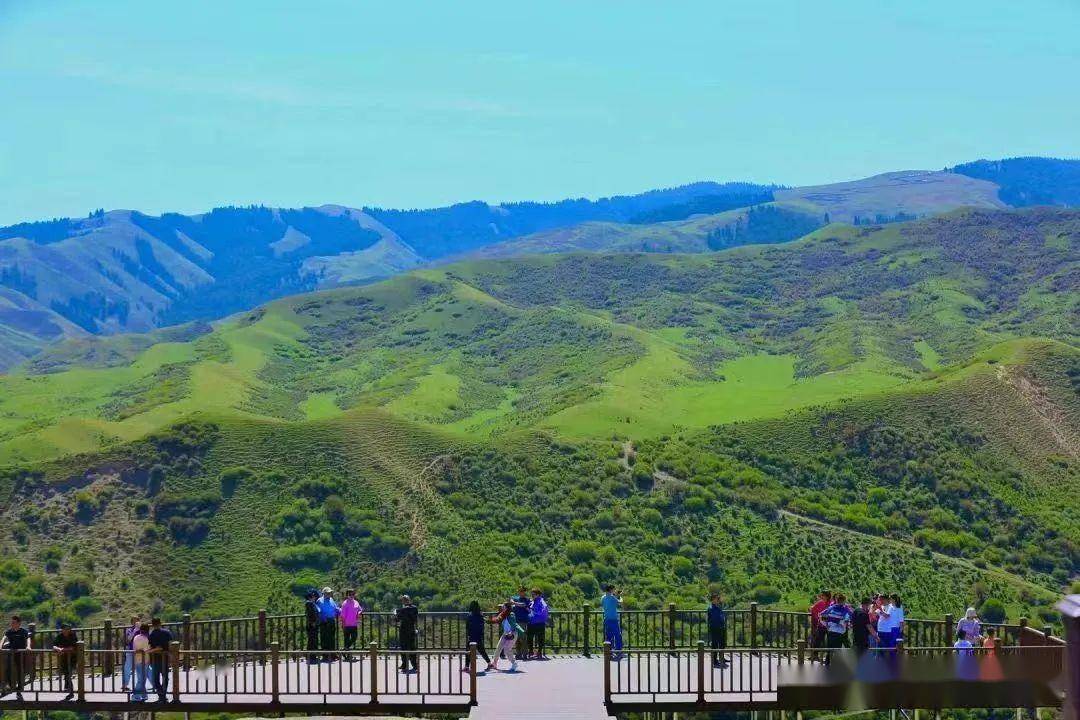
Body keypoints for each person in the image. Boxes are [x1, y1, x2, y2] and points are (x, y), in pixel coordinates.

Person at [1, 615, 31, 701]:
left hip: (20, 654)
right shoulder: (9, 631)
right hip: (11, 653)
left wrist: (28, 646)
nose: (12, 624)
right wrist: (0, 646)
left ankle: (19, 690)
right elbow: (4, 638)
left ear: (18, 623)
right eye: (11, 622)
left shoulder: (23, 631)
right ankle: (10, 687)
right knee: (8, 669)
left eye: (13, 623)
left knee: (20, 671)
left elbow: (28, 638)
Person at [489, 602, 523, 673]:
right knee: (498, 648)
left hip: (512, 633)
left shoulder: (511, 614)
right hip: (505, 634)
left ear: (507, 608)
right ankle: (494, 663)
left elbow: (513, 625)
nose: (502, 608)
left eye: (503, 607)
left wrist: (511, 632)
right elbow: (497, 619)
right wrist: (489, 620)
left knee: (507, 650)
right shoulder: (502, 614)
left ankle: (514, 664)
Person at [147, 617, 173, 703]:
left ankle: (161, 695)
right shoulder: (167, 633)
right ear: (160, 623)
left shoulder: (151, 635)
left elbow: (150, 647)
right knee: (165, 677)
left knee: (155, 679)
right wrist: (170, 655)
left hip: (155, 659)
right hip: (165, 658)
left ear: (152, 625)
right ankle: (163, 694)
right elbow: (170, 646)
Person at [462, 601, 492, 673]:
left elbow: (467, 627)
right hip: (479, 636)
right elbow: (482, 626)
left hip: (472, 636)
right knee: (482, 650)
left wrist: (469, 634)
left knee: (468, 651)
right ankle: (489, 663)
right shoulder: (481, 615)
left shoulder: (470, 616)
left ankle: (466, 667)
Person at [52, 623, 79, 701]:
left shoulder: (73, 635)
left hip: (73, 657)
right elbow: (54, 645)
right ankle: (67, 688)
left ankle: (70, 691)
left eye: (68, 629)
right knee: (66, 672)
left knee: (68, 673)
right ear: (62, 630)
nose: (67, 630)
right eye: (65, 629)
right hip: (63, 657)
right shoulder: (60, 636)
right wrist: (58, 649)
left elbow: (73, 647)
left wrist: (63, 649)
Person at [315, 587, 341, 662]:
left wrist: (340, 611)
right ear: (324, 593)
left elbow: (335, 608)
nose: (329, 594)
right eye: (328, 593)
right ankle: (325, 655)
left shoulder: (331, 599)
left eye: (330, 593)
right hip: (324, 621)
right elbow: (318, 611)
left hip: (331, 620)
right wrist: (323, 618)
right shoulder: (319, 601)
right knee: (325, 638)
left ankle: (333, 655)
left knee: (332, 638)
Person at [395, 595, 419, 673]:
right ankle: (415, 665)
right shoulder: (415, 608)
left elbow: (397, 619)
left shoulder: (402, 610)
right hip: (412, 630)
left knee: (403, 648)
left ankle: (404, 665)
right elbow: (415, 618)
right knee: (412, 648)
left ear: (403, 601)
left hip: (403, 631)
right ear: (410, 600)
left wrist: (395, 613)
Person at [601, 586, 623, 661]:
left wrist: (615, 596)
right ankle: (618, 651)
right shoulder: (612, 598)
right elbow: (620, 603)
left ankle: (609, 652)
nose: (614, 591)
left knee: (609, 636)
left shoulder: (603, 597)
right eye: (613, 590)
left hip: (606, 619)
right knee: (618, 635)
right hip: (613, 619)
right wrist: (620, 597)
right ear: (611, 590)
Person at [340, 589, 363, 662]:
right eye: (350, 595)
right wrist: (343, 624)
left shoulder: (356, 602)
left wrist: (359, 613)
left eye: (353, 594)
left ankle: (344, 650)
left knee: (354, 637)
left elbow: (360, 609)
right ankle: (346, 655)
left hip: (354, 624)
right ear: (347, 595)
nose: (352, 596)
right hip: (346, 624)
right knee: (346, 640)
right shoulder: (344, 604)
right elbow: (342, 615)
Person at [526, 588, 549, 660]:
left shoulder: (541, 601)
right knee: (529, 638)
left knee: (540, 639)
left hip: (539, 623)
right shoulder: (533, 601)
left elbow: (544, 609)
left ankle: (539, 652)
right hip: (531, 622)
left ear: (538, 594)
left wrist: (533, 611)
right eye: (532, 594)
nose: (532, 595)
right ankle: (531, 652)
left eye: (534, 594)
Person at [130, 623, 151, 702]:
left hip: (137, 660)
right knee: (142, 679)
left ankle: (144, 694)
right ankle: (136, 695)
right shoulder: (146, 639)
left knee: (141, 678)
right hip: (145, 660)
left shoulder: (135, 637)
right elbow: (146, 650)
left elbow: (135, 649)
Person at [707, 592, 728, 668]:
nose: (718, 600)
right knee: (715, 645)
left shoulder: (717, 607)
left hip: (721, 627)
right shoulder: (711, 608)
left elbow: (721, 616)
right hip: (715, 628)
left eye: (718, 599)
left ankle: (721, 658)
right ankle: (715, 661)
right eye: (716, 599)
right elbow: (713, 619)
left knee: (722, 643)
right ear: (712, 600)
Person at [511, 586, 531, 659]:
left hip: (523, 621)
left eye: (522, 591)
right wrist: (513, 602)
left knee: (523, 637)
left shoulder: (527, 599)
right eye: (520, 591)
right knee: (516, 638)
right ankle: (518, 654)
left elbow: (523, 605)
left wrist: (514, 603)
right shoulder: (515, 597)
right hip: (515, 621)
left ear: (525, 592)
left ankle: (525, 654)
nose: (521, 592)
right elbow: (511, 599)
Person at [808, 591, 832, 656]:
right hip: (821, 625)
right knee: (818, 640)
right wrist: (818, 618)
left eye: (823, 595)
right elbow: (813, 609)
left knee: (830, 641)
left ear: (827, 596)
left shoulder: (831, 604)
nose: (821, 597)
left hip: (829, 626)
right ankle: (815, 655)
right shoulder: (820, 602)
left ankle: (829, 656)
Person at [122, 614, 141, 691]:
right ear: (132, 622)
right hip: (130, 651)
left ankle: (144, 685)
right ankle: (124, 685)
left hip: (140, 652)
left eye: (137, 621)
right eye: (134, 621)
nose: (136, 622)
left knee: (142, 668)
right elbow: (128, 640)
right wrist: (134, 631)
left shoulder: (142, 630)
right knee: (127, 668)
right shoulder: (129, 630)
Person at [304, 589, 320, 662]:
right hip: (311, 625)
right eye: (313, 596)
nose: (315, 597)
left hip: (313, 624)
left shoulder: (312, 603)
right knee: (312, 640)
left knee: (313, 640)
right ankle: (311, 656)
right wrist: (313, 622)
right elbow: (311, 615)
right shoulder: (309, 603)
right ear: (311, 597)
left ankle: (312, 655)